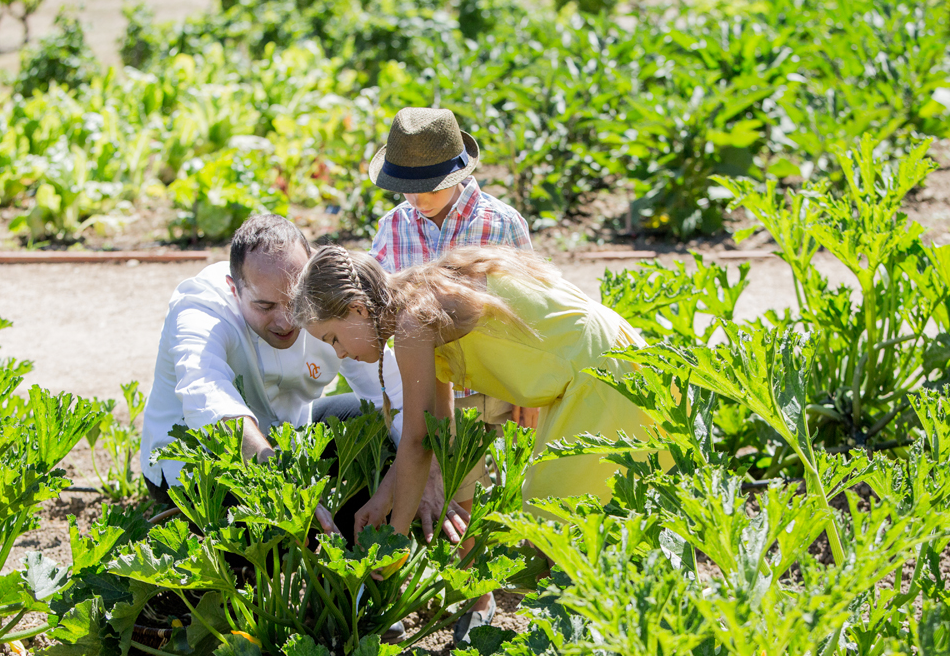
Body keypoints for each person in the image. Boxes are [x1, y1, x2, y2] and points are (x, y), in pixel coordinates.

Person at [292, 243, 666, 543]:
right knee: (607, 520)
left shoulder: (412, 324)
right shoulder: (422, 298)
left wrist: (394, 539)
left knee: (559, 527)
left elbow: (417, 441)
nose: (339, 353)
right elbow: (437, 426)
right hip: (602, 360)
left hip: (597, 376)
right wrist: (384, 497)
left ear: (358, 309)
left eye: (333, 338)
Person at [140, 215, 446, 546]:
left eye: (294, 301)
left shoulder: (325, 295)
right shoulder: (200, 307)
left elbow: (391, 394)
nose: (286, 319)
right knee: (256, 534)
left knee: (370, 425)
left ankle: (350, 563)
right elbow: (210, 403)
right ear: (234, 289)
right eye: (265, 305)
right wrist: (282, 482)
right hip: (197, 466)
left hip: (289, 442)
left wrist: (425, 472)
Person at [369, 106, 538, 431]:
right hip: (437, 391)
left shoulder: (499, 223)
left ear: (458, 175)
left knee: (515, 475)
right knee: (457, 479)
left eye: (432, 188)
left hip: (502, 381)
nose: (419, 200)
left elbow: (531, 308)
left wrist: (529, 388)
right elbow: (379, 297)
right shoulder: (394, 227)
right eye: (408, 188)